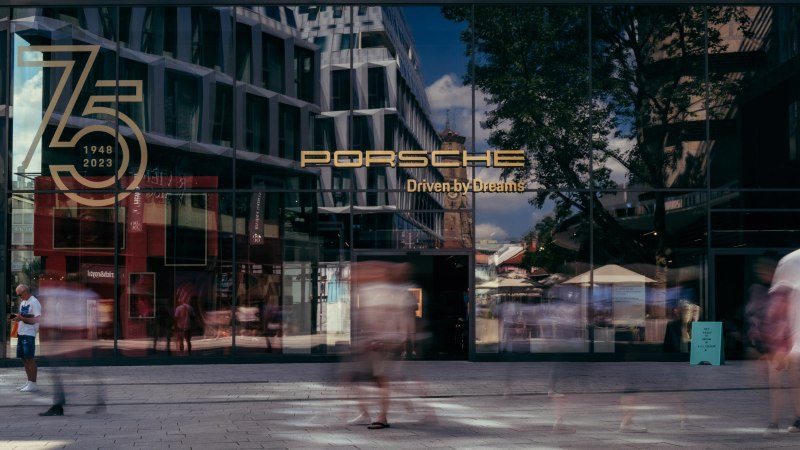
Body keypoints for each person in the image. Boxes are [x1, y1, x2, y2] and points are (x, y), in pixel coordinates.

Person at [12, 284, 42, 393]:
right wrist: (17, 318)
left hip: (29, 334)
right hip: (21, 333)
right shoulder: (23, 302)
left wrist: (22, 318)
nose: (19, 296)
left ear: (26, 291)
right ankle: (29, 382)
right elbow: (22, 316)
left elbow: (38, 319)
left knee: (29, 358)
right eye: (18, 295)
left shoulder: (34, 302)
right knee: (24, 359)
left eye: (20, 294)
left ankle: (33, 383)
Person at [174, 285, 197, 355]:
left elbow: (176, 318)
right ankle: (189, 353)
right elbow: (193, 317)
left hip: (180, 327)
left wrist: (175, 326)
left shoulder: (178, 308)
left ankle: (181, 353)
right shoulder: (190, 307)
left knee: (181, 341)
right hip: (188, 327)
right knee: (188, 341)